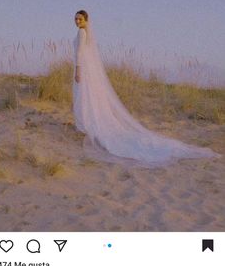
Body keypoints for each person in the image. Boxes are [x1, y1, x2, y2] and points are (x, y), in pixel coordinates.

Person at [72, 10, 221, 168]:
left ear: (86, 20)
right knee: (90, 97)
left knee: (86, 96)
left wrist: (78, 70)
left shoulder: (82, 32)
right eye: (75, 19)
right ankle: (90, 124)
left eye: (80, 19)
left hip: (83, 69)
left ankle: (90, 125)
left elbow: (80, 53)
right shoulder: (85, 32)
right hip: (88, 69)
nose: (77, 21)